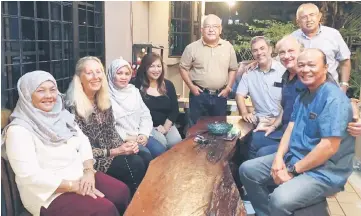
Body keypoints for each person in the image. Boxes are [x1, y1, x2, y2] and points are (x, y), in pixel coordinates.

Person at [239, 49, 355, 216]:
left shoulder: (333, 99)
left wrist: (292, 171)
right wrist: (278, 158)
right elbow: (291, 127)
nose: (305, 69)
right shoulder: (304, 94)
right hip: (295, 156)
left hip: (324, 170)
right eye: (301, 65)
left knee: (280, 198)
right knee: (247, 170)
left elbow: (328, 147)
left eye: (311, 65)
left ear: (325, 68)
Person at [2, 71, 130, 216]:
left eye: (52, 89)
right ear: (27, 95)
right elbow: (29, 176)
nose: (49, 96)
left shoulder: (62, 116)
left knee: (121, 192)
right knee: (104, 210)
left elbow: (83, 141)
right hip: (47, 194)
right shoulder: (18, 130)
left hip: (80, 176)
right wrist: (73, 186)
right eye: (40, 91)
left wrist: (88, 171)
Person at [65, 56, 150, 196]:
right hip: (90, 160)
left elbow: (112, 133)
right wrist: (117, 151)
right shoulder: (71, 107)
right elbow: (79, 149)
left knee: (145, 157)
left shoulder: (103, 100)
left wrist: (127, 146)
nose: (95, 77)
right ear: (79, 77)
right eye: (89, 72)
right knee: (135, 164)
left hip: (112, 151)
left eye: (99, 72)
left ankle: (141, 202)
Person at [179, 14, 238, 125]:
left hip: (221, 95)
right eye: (207, 26)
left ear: (220, 29)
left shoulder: (228, 47)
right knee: (196, 131)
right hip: (199, 96)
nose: (211, 30)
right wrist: (191, 86)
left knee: (219, 130)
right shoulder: (191, 48)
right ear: (202, 30)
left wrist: (229, 87)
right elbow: (182, 68)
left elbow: (233, 69)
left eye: (215, 26)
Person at [107, 57, 166, 157]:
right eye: (119, 73)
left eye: (127, 74)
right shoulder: (106, 97)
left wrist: (143, 134)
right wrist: (129, 138)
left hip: (140, 134)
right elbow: (109, 127)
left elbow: (145, 114)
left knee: (160, 151)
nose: (124, 77)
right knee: (145, 155)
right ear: (112, 74)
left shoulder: (133, 91)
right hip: (122, 139)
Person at [292, 3, 351, 93]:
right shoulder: (293, 38)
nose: (309, 20)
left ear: (319, 16)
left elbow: (345, 61)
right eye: (304, 17)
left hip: (330, 90)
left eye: (312, 15)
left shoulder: (333, 34)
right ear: (298, 21)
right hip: (301, 91)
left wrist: (344, 85)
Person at [132, 53, 182, 149]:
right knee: (161, 142)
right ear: (145, 68)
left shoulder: (168, 85)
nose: (156, 70)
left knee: (176, 142)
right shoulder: (136, 85)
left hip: (166, 123)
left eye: (159, 66)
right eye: (152, 66)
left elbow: (174, 110)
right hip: (146, 126)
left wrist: (165, 128)